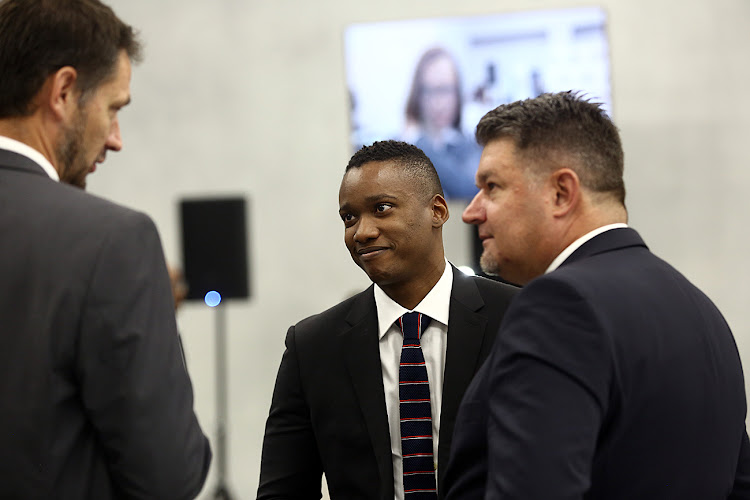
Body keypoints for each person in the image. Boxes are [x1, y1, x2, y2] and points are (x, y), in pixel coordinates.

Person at [444, 91, 750, 499]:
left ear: (561, 193)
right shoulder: (700, 310)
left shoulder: (559, 306)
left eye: (492, 187)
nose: (472, 211)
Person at [0, 1, 211, 498]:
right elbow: (169, 476)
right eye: (114, 108)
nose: (116, 139)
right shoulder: (113, 243)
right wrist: (149, 313)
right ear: (64, 91)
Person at [257, 140, 517, 500]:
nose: (361, 231)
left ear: (437, 211)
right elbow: (283, 490)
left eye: (381, 208)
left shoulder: (517, 318)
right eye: (349, 218)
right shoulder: (313, 345)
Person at [401, 47, 481, 200]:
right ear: (417, 95)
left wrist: (419, 144)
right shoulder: (400, 144)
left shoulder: (466, 145)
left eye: (445, 90)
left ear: (458, 93)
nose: (437, 103)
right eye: (428, 91)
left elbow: (467, 189)